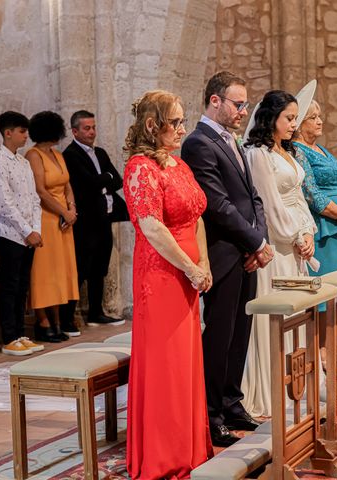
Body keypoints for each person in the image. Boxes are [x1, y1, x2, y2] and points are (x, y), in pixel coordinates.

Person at [123, 90, 213, 479]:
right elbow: (152, 227)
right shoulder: (141, 168)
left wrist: (204, 261)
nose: (181, 129)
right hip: (161, 275)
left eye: (181, 121)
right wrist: (190, 268)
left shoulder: (178, 165)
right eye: (174, 122)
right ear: (151, 126)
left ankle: (190, 447)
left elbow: (197, 216)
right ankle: (164, 454)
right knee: (166, 364)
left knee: (187, 363)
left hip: (189, 271)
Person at [181, 71, 273, 446]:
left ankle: (233, 402)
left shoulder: (232, 140)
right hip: (221, 252)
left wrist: (258, 240)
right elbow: (216, 205)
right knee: (219, 333)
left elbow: (252, 197)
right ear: (215, 101)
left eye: (245, 104)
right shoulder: (198, 143)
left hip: (245, 251)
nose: (243, 111)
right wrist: (254, 241)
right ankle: (212, 412)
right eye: (238, 104)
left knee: (240, 332)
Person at [240, 90, 318, 416]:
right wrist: (293, 235)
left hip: (296, 242)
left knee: (294, 316)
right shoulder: (258, 154)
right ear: (271, 117)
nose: (293, 123)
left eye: (295, 117)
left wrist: (309, 233)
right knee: (275, 318)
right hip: (275, 245)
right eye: (288, 117)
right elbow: (268, 206)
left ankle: (293, 385)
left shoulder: (286, 151)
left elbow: (298, 197)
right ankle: (268, 391)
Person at [293, 100, 337, 368]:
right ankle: (319, 348)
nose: (319, 122)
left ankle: (333, 342)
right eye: (313, 117)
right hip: (324, 228)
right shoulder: (298, 151)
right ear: (299, 124)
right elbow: (312, 194)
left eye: (320, 116)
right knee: (323, 289)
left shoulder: (320, 148)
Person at [58, 110, 127, 336]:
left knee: (100, 267)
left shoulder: (100, 152)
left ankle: (96, 312)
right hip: (85, 222)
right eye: (86, 128)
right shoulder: (71, 155)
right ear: (75, 131)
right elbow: (87, 185)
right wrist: (103, 180)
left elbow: (117, 179)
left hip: (104, 219)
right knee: (80, 270)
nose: (91, 132)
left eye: (93, 127)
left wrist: (103, 181)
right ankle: (67, 318)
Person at [0, 111, 44, 356]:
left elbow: (34, 199)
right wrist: (26, 230)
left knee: (22, 286)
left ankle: (21, 333)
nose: (25, 136)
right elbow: (4, 204)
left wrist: (36, 230)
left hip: (28, 234)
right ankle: (9, 337)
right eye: (22, 131)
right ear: (7, 132)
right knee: (9, 286)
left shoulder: (23, 163)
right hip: (8, 234)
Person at [25, 111, 79, 343]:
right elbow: (40, 190)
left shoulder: (57, 154)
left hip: (64, 221)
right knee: (43, 272)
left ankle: (56, 320)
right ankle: (42, 321)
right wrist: (63, 211)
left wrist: (72, 209)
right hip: (46, 218)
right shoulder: (33, 154)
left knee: (60, 271)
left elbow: (67, 184)